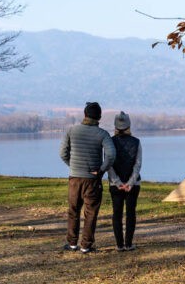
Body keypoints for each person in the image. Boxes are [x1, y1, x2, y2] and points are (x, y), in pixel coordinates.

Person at [60, 102, 116, 254]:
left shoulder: (71, 130)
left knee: (73, 210)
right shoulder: (103, 134)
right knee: (90, 213)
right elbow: (111, 155)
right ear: (99, 117)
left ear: (84, 115)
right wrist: (102, 170)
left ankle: (72, 243)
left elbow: (63, 153)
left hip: (74, 178)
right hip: (92, 180)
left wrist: (73, 166)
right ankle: (86, 245)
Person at [108, 111, 142, 252]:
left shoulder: (110, 142)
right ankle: (128, 244)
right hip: (133, 186)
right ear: (129, 125)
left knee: (117, 213)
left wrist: (117, 182)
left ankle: (119, 245)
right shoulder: (136, 142)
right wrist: (130, 182)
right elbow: (138, 164)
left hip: (115, 185)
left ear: (115, 126)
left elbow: (108, 164)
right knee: (130, 213)